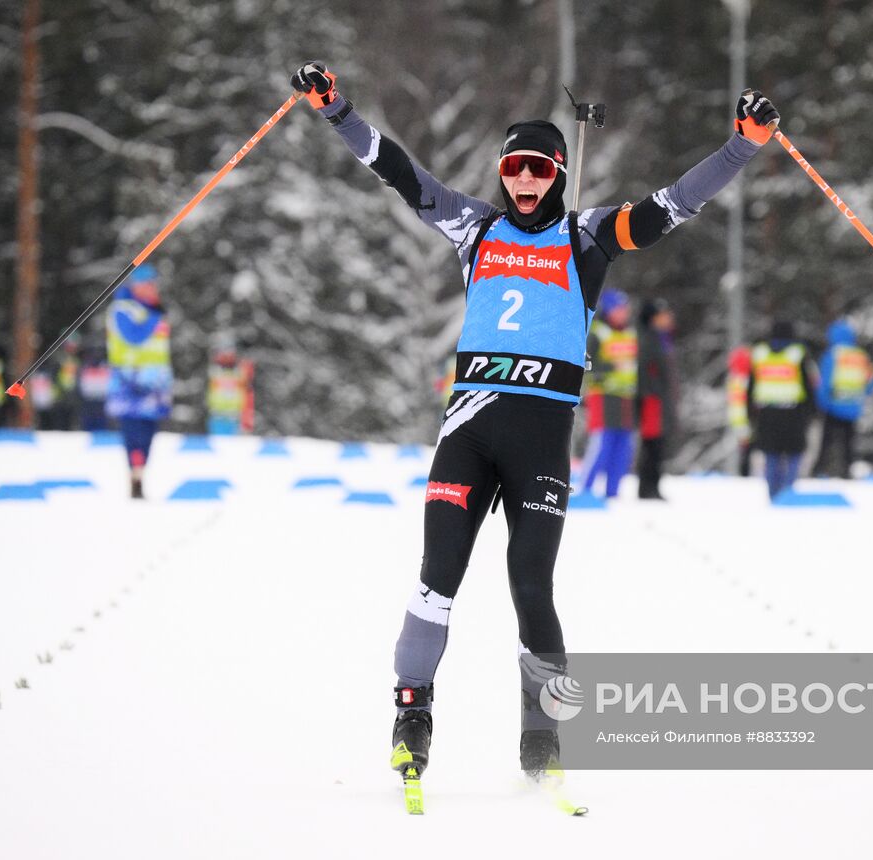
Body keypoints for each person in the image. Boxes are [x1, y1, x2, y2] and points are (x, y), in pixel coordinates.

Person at [289, 61, 780, 793]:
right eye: (514, 168)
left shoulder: (588, 239)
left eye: (538, 170)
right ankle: (411, 715)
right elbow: (395, 168)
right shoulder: (473, 226)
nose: (524, 182)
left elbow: (673, 205)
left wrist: (741, 147)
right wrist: (337, 111)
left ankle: (544, 736)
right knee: (437, 578)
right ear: (502, 172)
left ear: (556, 173)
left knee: (532, 585)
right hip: (469, 433)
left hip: (540, 442)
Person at [106, 264, 172, 499]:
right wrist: (154, 316)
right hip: (129, 384)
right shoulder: (123, 309)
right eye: (147, 284)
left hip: (155, 386)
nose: (152, 289)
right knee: (133, 433)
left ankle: (140, 473)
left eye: (154, 284)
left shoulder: (155, 309)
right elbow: (134, 337)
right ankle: (134, 474)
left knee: (149, 433)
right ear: (135, 285)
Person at [748, 320, 818, 500]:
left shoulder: (760, 354)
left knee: (771, 455)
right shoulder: (797, 354)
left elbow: (751, 385)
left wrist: (750, 412)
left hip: (767, 413)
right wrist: (811, 411)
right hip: (793, 412)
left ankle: (773, 494)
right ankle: (788, 493)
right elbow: (808, 385)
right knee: (794, 453)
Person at [579, 288, 638, 498]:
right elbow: (585, 363)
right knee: (602, 444)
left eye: (625, 309)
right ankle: (585, 490)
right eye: (619, 309)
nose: (623, 313)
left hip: (626, 397)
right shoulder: (598, 332)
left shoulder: (630, 332)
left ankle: (612, 493)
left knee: (623, 448)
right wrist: (611, 368)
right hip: (603, 396)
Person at [812, 319, 873, 478]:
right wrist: (861, 396)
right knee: (848, 442)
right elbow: (871, 381)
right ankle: (847, 471)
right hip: (853, 405)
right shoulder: (861, 356)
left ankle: (820, 470)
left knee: (827, 441)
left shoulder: (832, 355)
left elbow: (824, 381)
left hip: (833, 405)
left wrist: (821, 402)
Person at [636, 297, 678, 499]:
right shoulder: (648, 339)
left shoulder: (662, 338)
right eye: (663, 315)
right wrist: (651, 392)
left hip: (660, 400)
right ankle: (647, 488)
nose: (669, 318)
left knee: (658, 445)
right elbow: (644, 370)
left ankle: (653, 486)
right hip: (652, 401)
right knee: (652, 445)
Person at [206, 347, 254, 435]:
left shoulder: (239, 374)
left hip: (234, 414)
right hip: (217, 413)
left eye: (229, 357)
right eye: (224, 357)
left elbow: (247, 383)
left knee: (231, 441)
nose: (227, 360)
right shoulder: (215, 373)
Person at [726, 345, 754, 476]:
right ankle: (746, 474)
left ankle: (744, 474)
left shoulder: (733, 379)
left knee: (745, 452)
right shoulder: (746, 380)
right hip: (747, 419)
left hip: (738, 420)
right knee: (749, 452)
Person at [77, 347, 112, 432]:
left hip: (101, 399)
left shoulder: (106, 366)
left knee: (101, 424)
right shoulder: (85, 366)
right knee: (88, 424)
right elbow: (80, 383)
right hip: (89, 400)